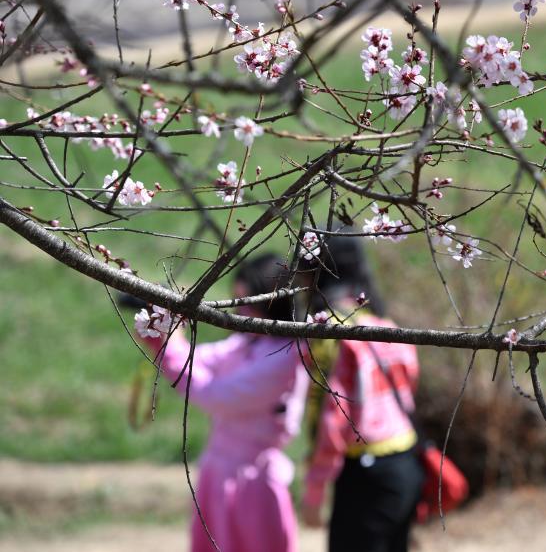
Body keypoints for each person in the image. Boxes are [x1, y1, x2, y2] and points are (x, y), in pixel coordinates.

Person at [135, 254, 309, 552]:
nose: (240, 313)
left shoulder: (285, 357)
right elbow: (200, 359)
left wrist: (170, 345)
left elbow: (214, 395)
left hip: (253, 481)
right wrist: (164, 329)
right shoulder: (250, 342)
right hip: (217, 473)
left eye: (248, 305)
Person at [301, 233, 423, 552]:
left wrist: (315, 490)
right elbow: (410, 388)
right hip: (405, 463)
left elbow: (332, 420)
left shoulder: (328, 333)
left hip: (365, 473)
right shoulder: (386, 325)